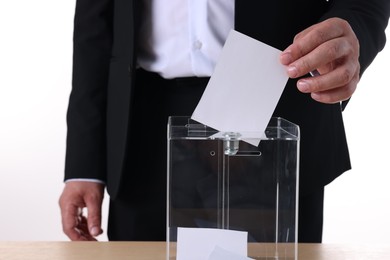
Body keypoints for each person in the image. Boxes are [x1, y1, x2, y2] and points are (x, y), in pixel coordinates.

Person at [59, 0, 390, 242]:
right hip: (142, 135)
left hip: (277, 112)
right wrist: (84, 164)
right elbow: (95, 29)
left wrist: (353, 30)